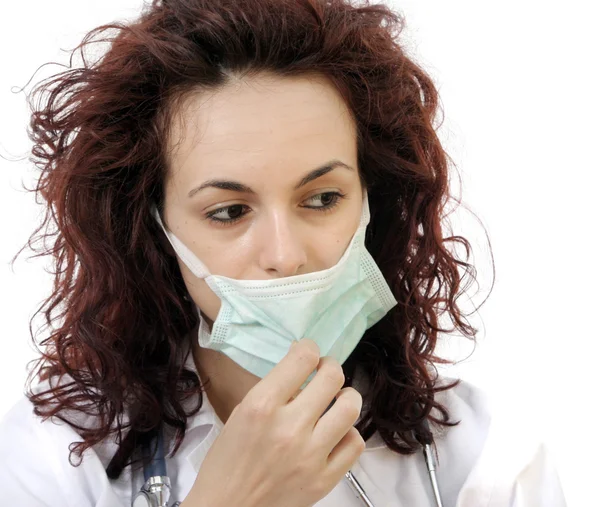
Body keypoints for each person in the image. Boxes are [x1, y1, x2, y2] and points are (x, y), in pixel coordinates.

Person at [0, 0, 567, 506]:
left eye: (322, 198)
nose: (285, 255)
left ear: (374, 201)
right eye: (229, 211)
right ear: (156, 228)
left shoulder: (486, 455)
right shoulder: (54, 455)